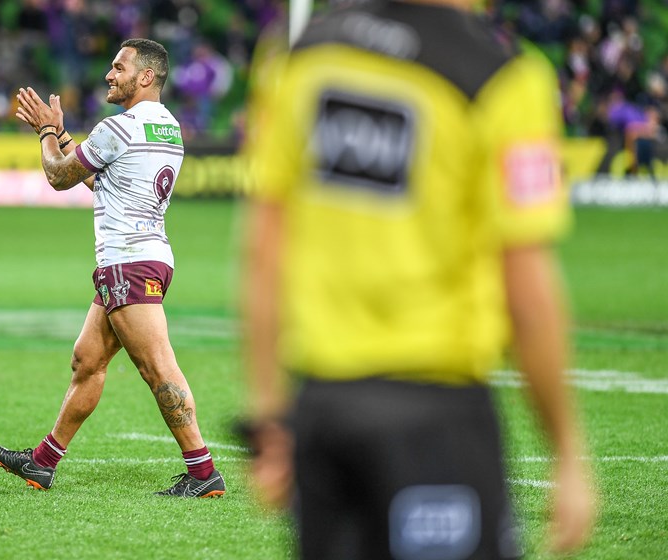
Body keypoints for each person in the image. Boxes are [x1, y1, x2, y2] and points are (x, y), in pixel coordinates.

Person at [241, 1, 596, 558]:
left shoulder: (303, 57)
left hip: (323, 406)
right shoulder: (499, 79)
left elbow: (262, 250)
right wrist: (569, 453)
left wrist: (270, 416)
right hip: (436, 415)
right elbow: (526, 287)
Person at [0, 38, 225, 498]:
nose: (108, 75)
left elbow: (60, 177)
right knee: (87, 361)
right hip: (148, 256)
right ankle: (43, 463)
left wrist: (45, 132)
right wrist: (62, 137)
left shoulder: (119, 127)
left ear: (146, 77)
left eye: (119, 67)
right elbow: (105, 180)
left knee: (158, 368)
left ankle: (203, 473)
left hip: (127, 263)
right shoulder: (168, 128)